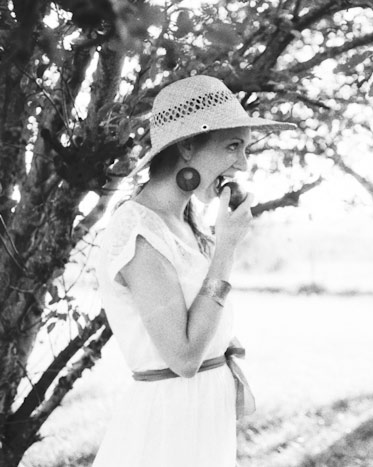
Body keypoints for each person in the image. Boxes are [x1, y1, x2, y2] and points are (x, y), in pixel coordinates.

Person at [93, 75, 295, 466]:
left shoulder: (185, 222)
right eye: (232, 147)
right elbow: (183, 358)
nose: (243, 163)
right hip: (168, 424)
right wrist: (227, 248)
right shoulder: (137, 232)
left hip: (205, 414)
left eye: (245, 148)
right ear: (187, 146)